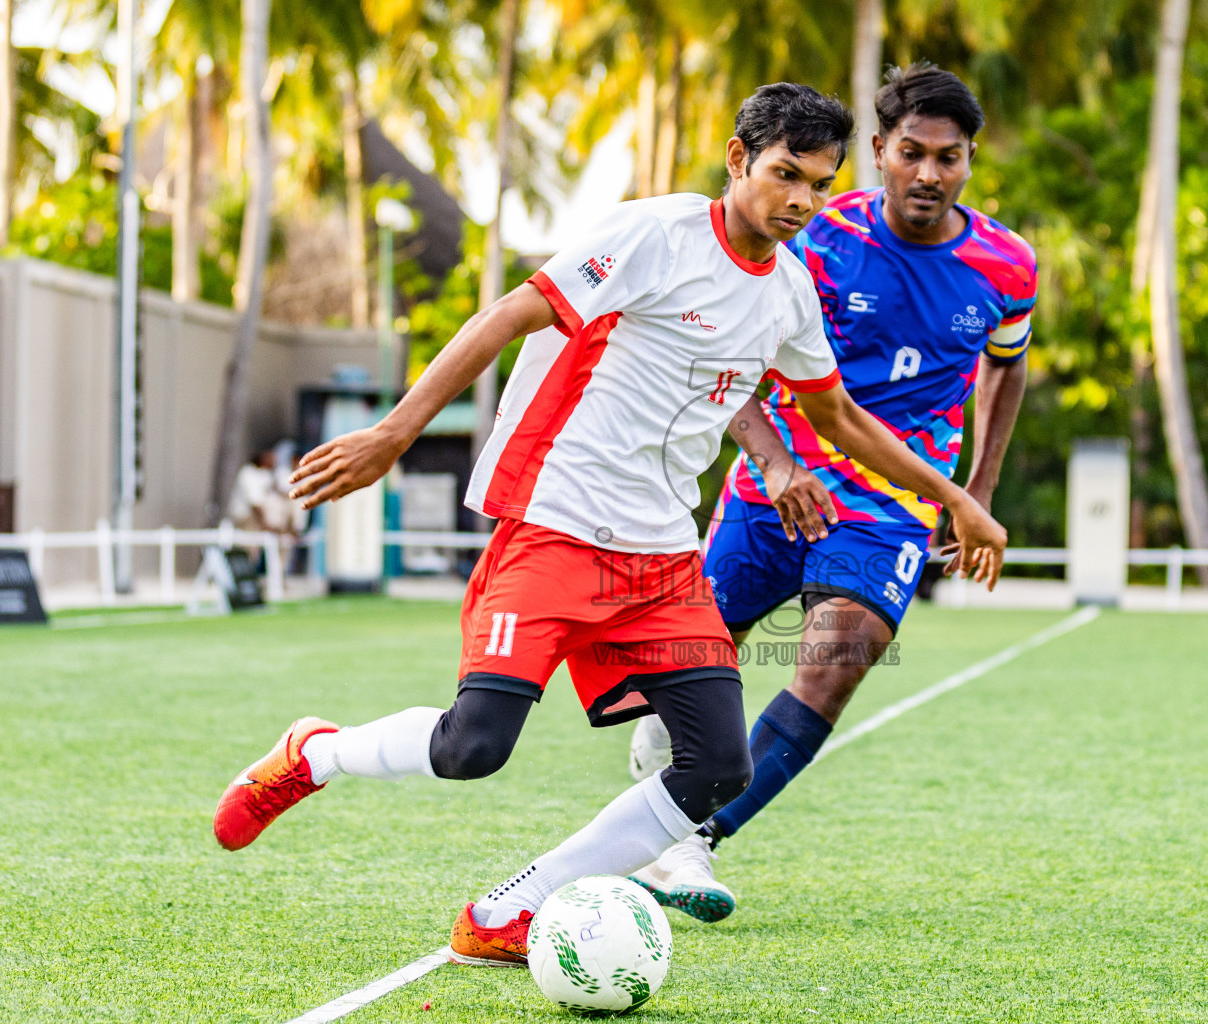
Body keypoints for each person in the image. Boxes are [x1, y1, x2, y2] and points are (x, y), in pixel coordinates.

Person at [211, 82, 1011, 969]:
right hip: (557, 521)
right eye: (786, 175)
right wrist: (394, 432)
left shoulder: (788, 288)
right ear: (739, 159)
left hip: (662, 555)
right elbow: (507, 316)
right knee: (474, 746)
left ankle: (509, 909)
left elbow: (845, 423)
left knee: (717, 768)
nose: (802, 203)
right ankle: (316, 753)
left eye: (819, 185)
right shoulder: (653, 234)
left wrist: (962, 501)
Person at [626, 64, 1036, 924]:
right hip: (780, 480)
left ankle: (694, 837)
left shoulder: (1008, 263)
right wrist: (774, 462)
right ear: (879, 151)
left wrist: (978, 488)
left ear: (970, 161)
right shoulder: (816, 235)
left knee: (839, 660)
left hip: (896, 503)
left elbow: (1008, 363)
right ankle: (665, 783)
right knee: (694, 658)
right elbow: (727, 352)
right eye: (912, 153)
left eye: (950, 158)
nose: (929, 173)